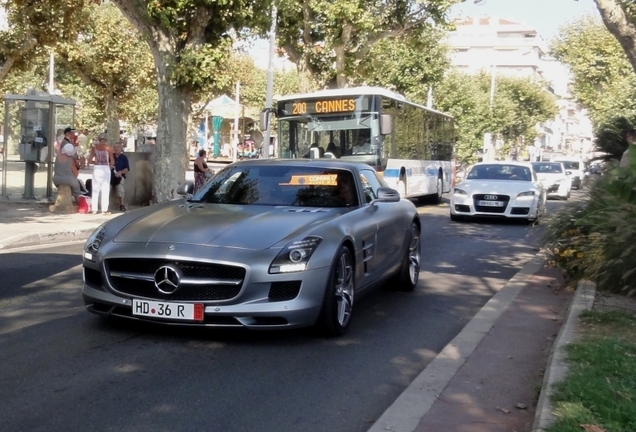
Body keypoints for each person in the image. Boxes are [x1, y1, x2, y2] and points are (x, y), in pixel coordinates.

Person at [88, 133, 114, 214]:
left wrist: (96, 162)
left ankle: (94, 209)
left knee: (95, 189)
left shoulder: (94, 148)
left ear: (99, 140)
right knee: (105, 189)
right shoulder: (108, 148)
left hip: (97, 168)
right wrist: (110, 165)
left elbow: (89, 161)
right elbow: (112, 161)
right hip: (105, 168)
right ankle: (104, 209)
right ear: (106, 140)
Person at [112, 142, 130, 211]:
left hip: (120, 176)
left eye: (118, 147)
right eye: (115, 147)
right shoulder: (111, 156)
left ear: (121, 148)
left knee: (120, 186)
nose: (116, 148)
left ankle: (121, 204)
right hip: (111, 175)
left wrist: (121, 172)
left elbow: (127, 168)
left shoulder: (124, 157)